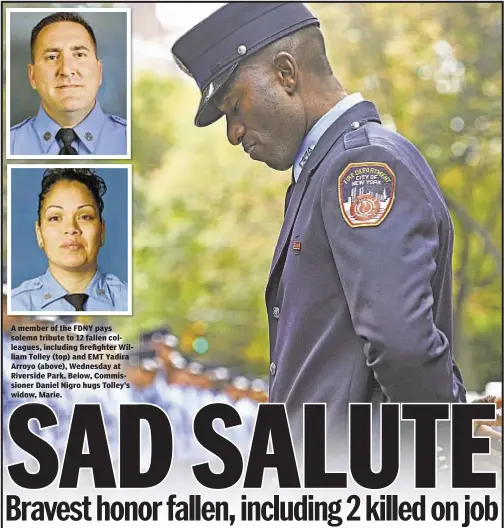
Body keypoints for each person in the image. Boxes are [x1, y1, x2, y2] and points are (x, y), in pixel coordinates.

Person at [172, 3, 466, 443]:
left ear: (286, 73)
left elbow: (401, 345)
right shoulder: (325, 170)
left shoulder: (361, 163)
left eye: (234, 105)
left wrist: (450, 439)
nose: (233, 132)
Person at [11, 168, 128, 312]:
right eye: (55, 218)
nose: (71, 228)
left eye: (85, 217)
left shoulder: (129, 300)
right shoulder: (16, 305)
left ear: (102, 230)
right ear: (39, 233)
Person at [10, 12, 127, 156]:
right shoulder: (8, 144)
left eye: (79, 55)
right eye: (52, 57)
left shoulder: (131, 141)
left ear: (99, 71)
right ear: (32, 75)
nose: (66, 70)